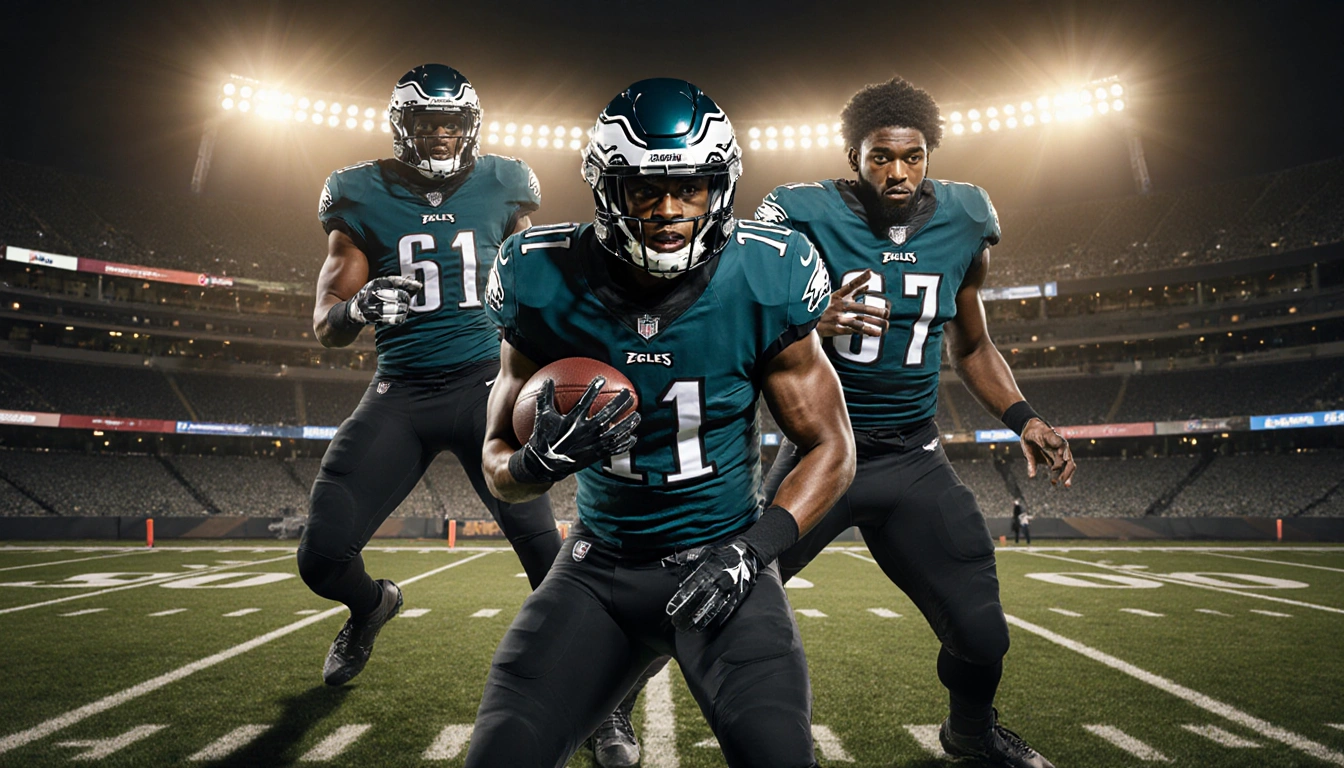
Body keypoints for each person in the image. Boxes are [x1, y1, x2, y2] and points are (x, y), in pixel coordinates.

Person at [464, 78, 856, 768]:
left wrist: (752, 551)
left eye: (692, 187)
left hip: (721, 565)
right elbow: (499, 466)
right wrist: (533, 466)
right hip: (597, 571)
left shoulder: (769, 271)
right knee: (500, 755)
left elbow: (831, 446)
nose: (670, 210)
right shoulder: (538, 276)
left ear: (722, 188)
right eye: (646, 189)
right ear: (606, 190)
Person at [752, 76, 1077, 768]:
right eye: (880, 157)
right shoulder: (798, 216)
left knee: (984, 634)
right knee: (728, 594)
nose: (897, 171)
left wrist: (1023, 418)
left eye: (912, 156)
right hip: (820, 453)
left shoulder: (965, 218)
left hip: (912, 461)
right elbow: (739, 318)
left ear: (929, 155)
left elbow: (972, 345)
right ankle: (614, 712)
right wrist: (805, 318)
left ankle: (970, 732)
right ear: (853, 158)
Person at [298, 63, 561, 687]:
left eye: (451, 123)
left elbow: (537, 278)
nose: (440, 134)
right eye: (426, 121)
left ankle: (607, 700)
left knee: (552, 567)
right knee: (322, 559)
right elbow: (327, 325)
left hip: (485, 389)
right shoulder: (359, 192)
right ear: (401, 125)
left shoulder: (505, 183)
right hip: (401, 393)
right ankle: (371, 607)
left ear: (469, 126)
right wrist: (358, 307)